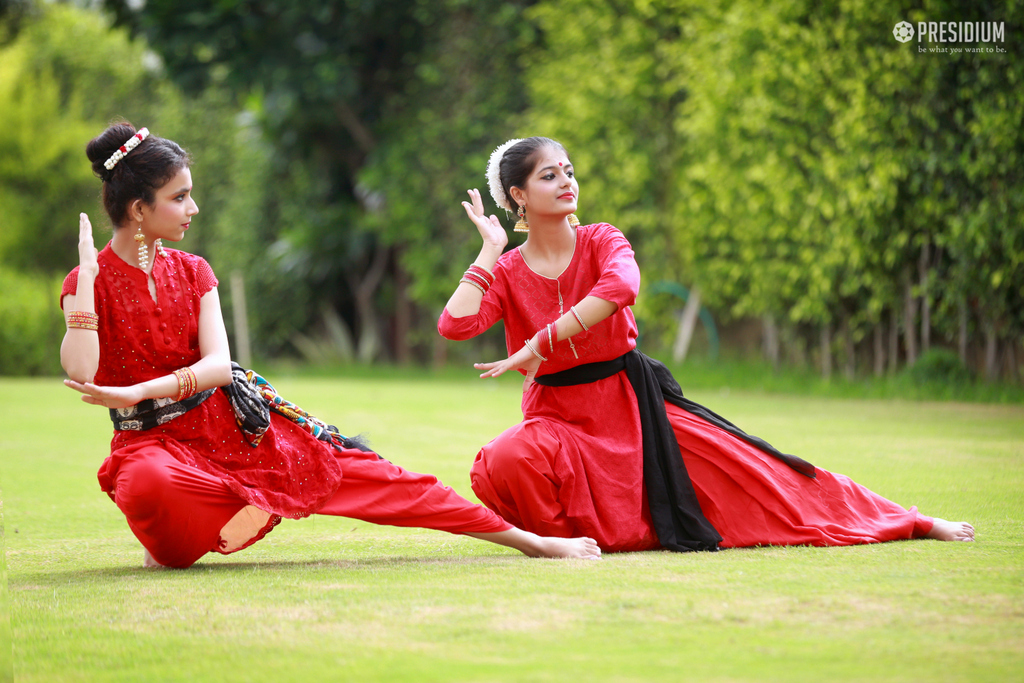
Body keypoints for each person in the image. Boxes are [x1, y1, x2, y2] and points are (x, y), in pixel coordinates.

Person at [60, 123, 601, 569]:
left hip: (231, 429)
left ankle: (527, 540)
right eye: (180, 197)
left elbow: (219, 367)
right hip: (151, 446)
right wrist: (86, 280)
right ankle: (186, 527)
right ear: (138, 209)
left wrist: (138, 388)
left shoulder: (195, 269)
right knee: (151, 485)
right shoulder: (91, 281)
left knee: (382, 479)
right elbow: (83, 374)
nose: (193, 208)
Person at [438, 136, 975, 553]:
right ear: (518, 195)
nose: (566, 181)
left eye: (569, 172)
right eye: (549, 175)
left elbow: (621, 289)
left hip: (631, 405)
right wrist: (489, 250)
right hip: (557, 417)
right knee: (504, 462)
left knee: (766, 474)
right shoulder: (507, 270)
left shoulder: (603, 239)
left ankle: (914, 521)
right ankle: (556, 545)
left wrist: (542, 339)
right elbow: (455, 326)